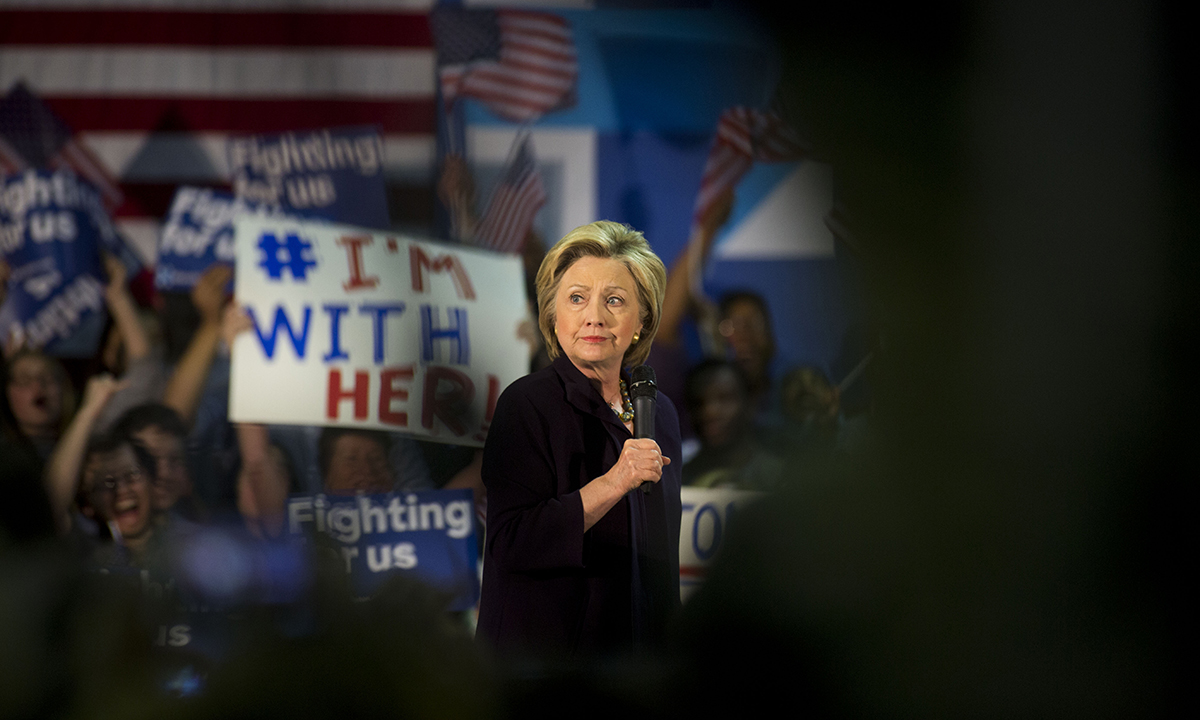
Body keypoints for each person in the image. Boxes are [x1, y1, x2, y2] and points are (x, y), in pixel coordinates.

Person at [476, 220, 682, 660]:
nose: (595, 316)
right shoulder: (527, 404)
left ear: (642, 319)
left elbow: (662, 561)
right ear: (553, 314)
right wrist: (614, 482)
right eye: (576, 298)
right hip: (542, 667)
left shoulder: (658, 412)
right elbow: (510, 542)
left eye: (614, 300)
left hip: (634, 663)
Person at [681, 358, 783, 491]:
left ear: (749, 403)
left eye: (725, 398)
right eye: (698, 403)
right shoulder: (679, 481)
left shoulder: (779, 477)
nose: (710, 412)